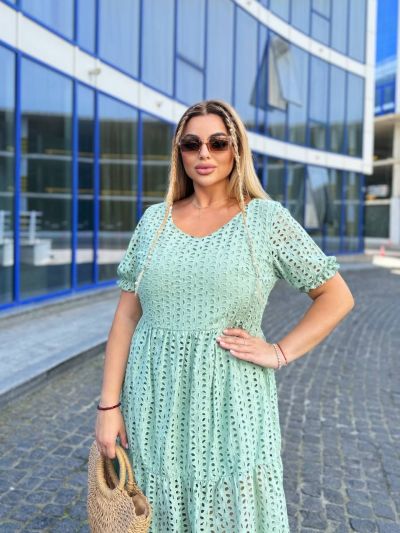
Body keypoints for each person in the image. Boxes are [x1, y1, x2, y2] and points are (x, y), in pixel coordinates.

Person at [95, 99, 355, 531]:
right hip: (153, 400)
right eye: (191, 144)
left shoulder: (265, 221)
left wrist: (279, 352)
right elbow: (125, 317)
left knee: (229, 509)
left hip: (230, 400)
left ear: (236, 149)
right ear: (179, 152)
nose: (204, 153)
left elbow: (336, 296)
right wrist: (108, 406)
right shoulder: (154, 221)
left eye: (218, 143)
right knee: (156, 506)